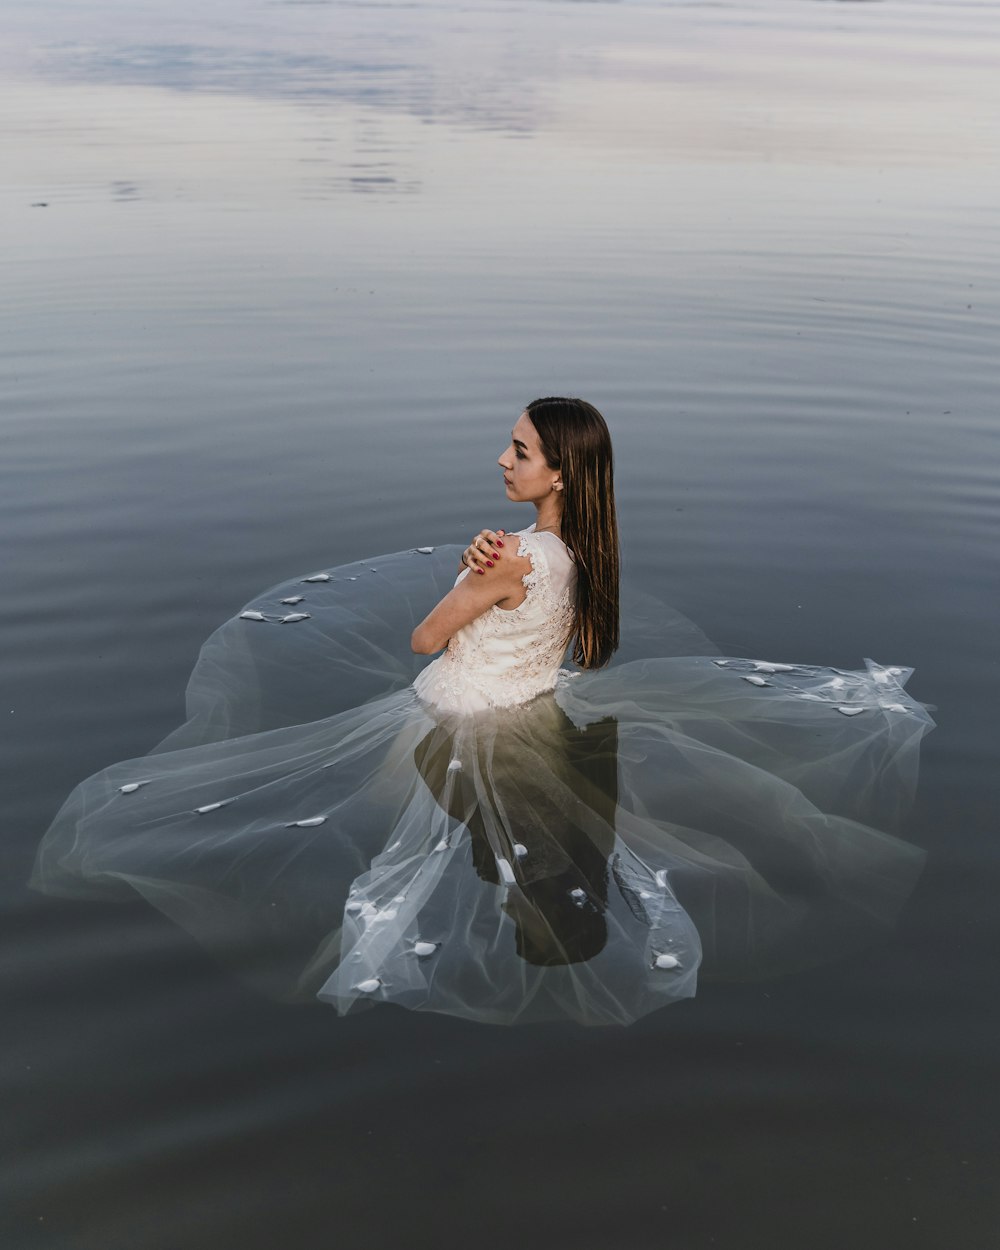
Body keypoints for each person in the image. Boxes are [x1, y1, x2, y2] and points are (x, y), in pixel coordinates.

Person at [31, 399, 933, 1026]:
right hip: (540, 708)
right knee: (499, 832)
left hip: (462, 718)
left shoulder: (508, 561)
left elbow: (426, 640)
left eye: (519, 451)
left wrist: (471, 578)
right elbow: (548, 617)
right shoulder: (581, 547)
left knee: (376, 831)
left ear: (558, 470)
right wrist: (488, 569)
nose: (502, 459)